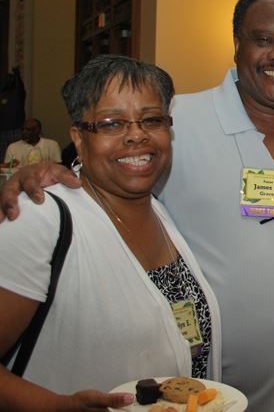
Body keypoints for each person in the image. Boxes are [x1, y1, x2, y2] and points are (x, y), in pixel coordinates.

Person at [0, 0, 274, 412]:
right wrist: (45, 174)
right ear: (237, 45)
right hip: (198, 398)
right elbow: (107, 175)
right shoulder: (174, 122)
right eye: (264, 39)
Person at [0, 55, 221, 411]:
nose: (136, 134)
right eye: (112, 123)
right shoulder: (41, 219)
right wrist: (55, 406)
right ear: (78, 138)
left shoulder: (160, 211)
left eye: (152, 119)